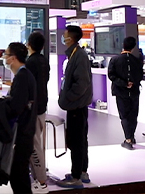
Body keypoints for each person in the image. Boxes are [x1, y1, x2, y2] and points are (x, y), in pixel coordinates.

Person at [57, 26, 93, 189]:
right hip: (76, 105)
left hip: (77, 106)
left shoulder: (79, 55)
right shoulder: (75, 54)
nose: (63, 38)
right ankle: (81, 172)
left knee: (77, 141)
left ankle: (76, 176)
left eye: (64, 35)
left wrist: (68, 97)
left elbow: (81, 83)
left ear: (70, 38)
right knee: (80, 140)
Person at [2, 42, 37, 194]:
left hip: (22, 133)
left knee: (19, 176)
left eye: (6, 55)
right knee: (18, 176)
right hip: (24, 132)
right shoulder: (24, 75)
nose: (4, 58)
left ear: (13, 58)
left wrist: (2, 106)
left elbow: (17, 106)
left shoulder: (23, 77)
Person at [108, 37, 144, 150]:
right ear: (133, 47)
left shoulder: (114, 60)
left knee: (124, 115)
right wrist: (132, 83)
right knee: (133, 114)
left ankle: (128, 139)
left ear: (123, 45)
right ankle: (131, 136)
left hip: (120, 91)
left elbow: (111, 75)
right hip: (134, 91)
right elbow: (140, 75)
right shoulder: (137, 60)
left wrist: (124, 83)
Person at [25, 32, 49, 194]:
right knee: (35, 143)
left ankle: (41, 182)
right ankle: (37, 178)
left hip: (33, 108)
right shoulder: (43, 61)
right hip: (41, 105)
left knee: (34, 145)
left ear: (29, 44)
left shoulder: (30, 63)